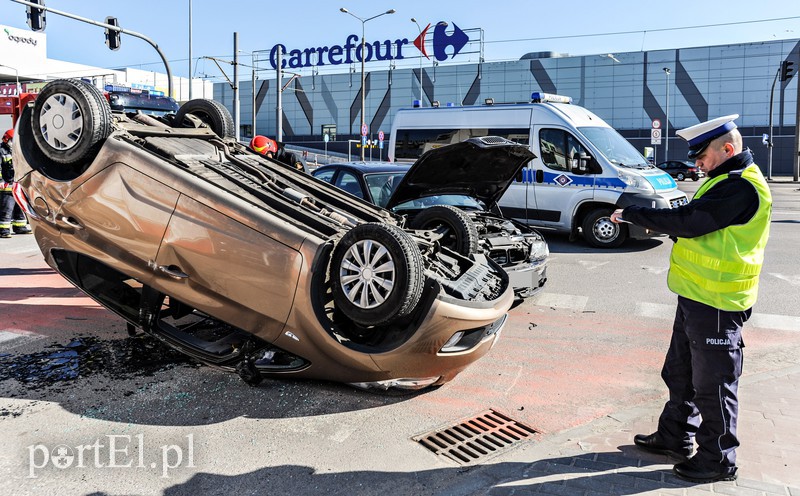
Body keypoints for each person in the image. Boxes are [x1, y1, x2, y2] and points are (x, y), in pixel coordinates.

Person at [610, 115, 772, 483]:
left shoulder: (740, 186)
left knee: (713, 386)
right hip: (697, 296)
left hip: (718, 303)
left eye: (702, 156)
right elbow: (698, 227)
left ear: (727, 149)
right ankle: (675, 437)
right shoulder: (722, 180)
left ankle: (718, 460)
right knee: (679, 372)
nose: (697, 163)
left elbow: (690, 222)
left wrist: (635, 214)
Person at [0, 129, 32, 238]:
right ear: (6, 139)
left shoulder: (17, 150)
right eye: (11, 140)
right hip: (7, 184)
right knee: (7, 208)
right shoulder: (1, 151)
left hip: (18, 183)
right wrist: (1, 181)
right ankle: (3, 230)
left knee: (20, 206)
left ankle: (20, 226)